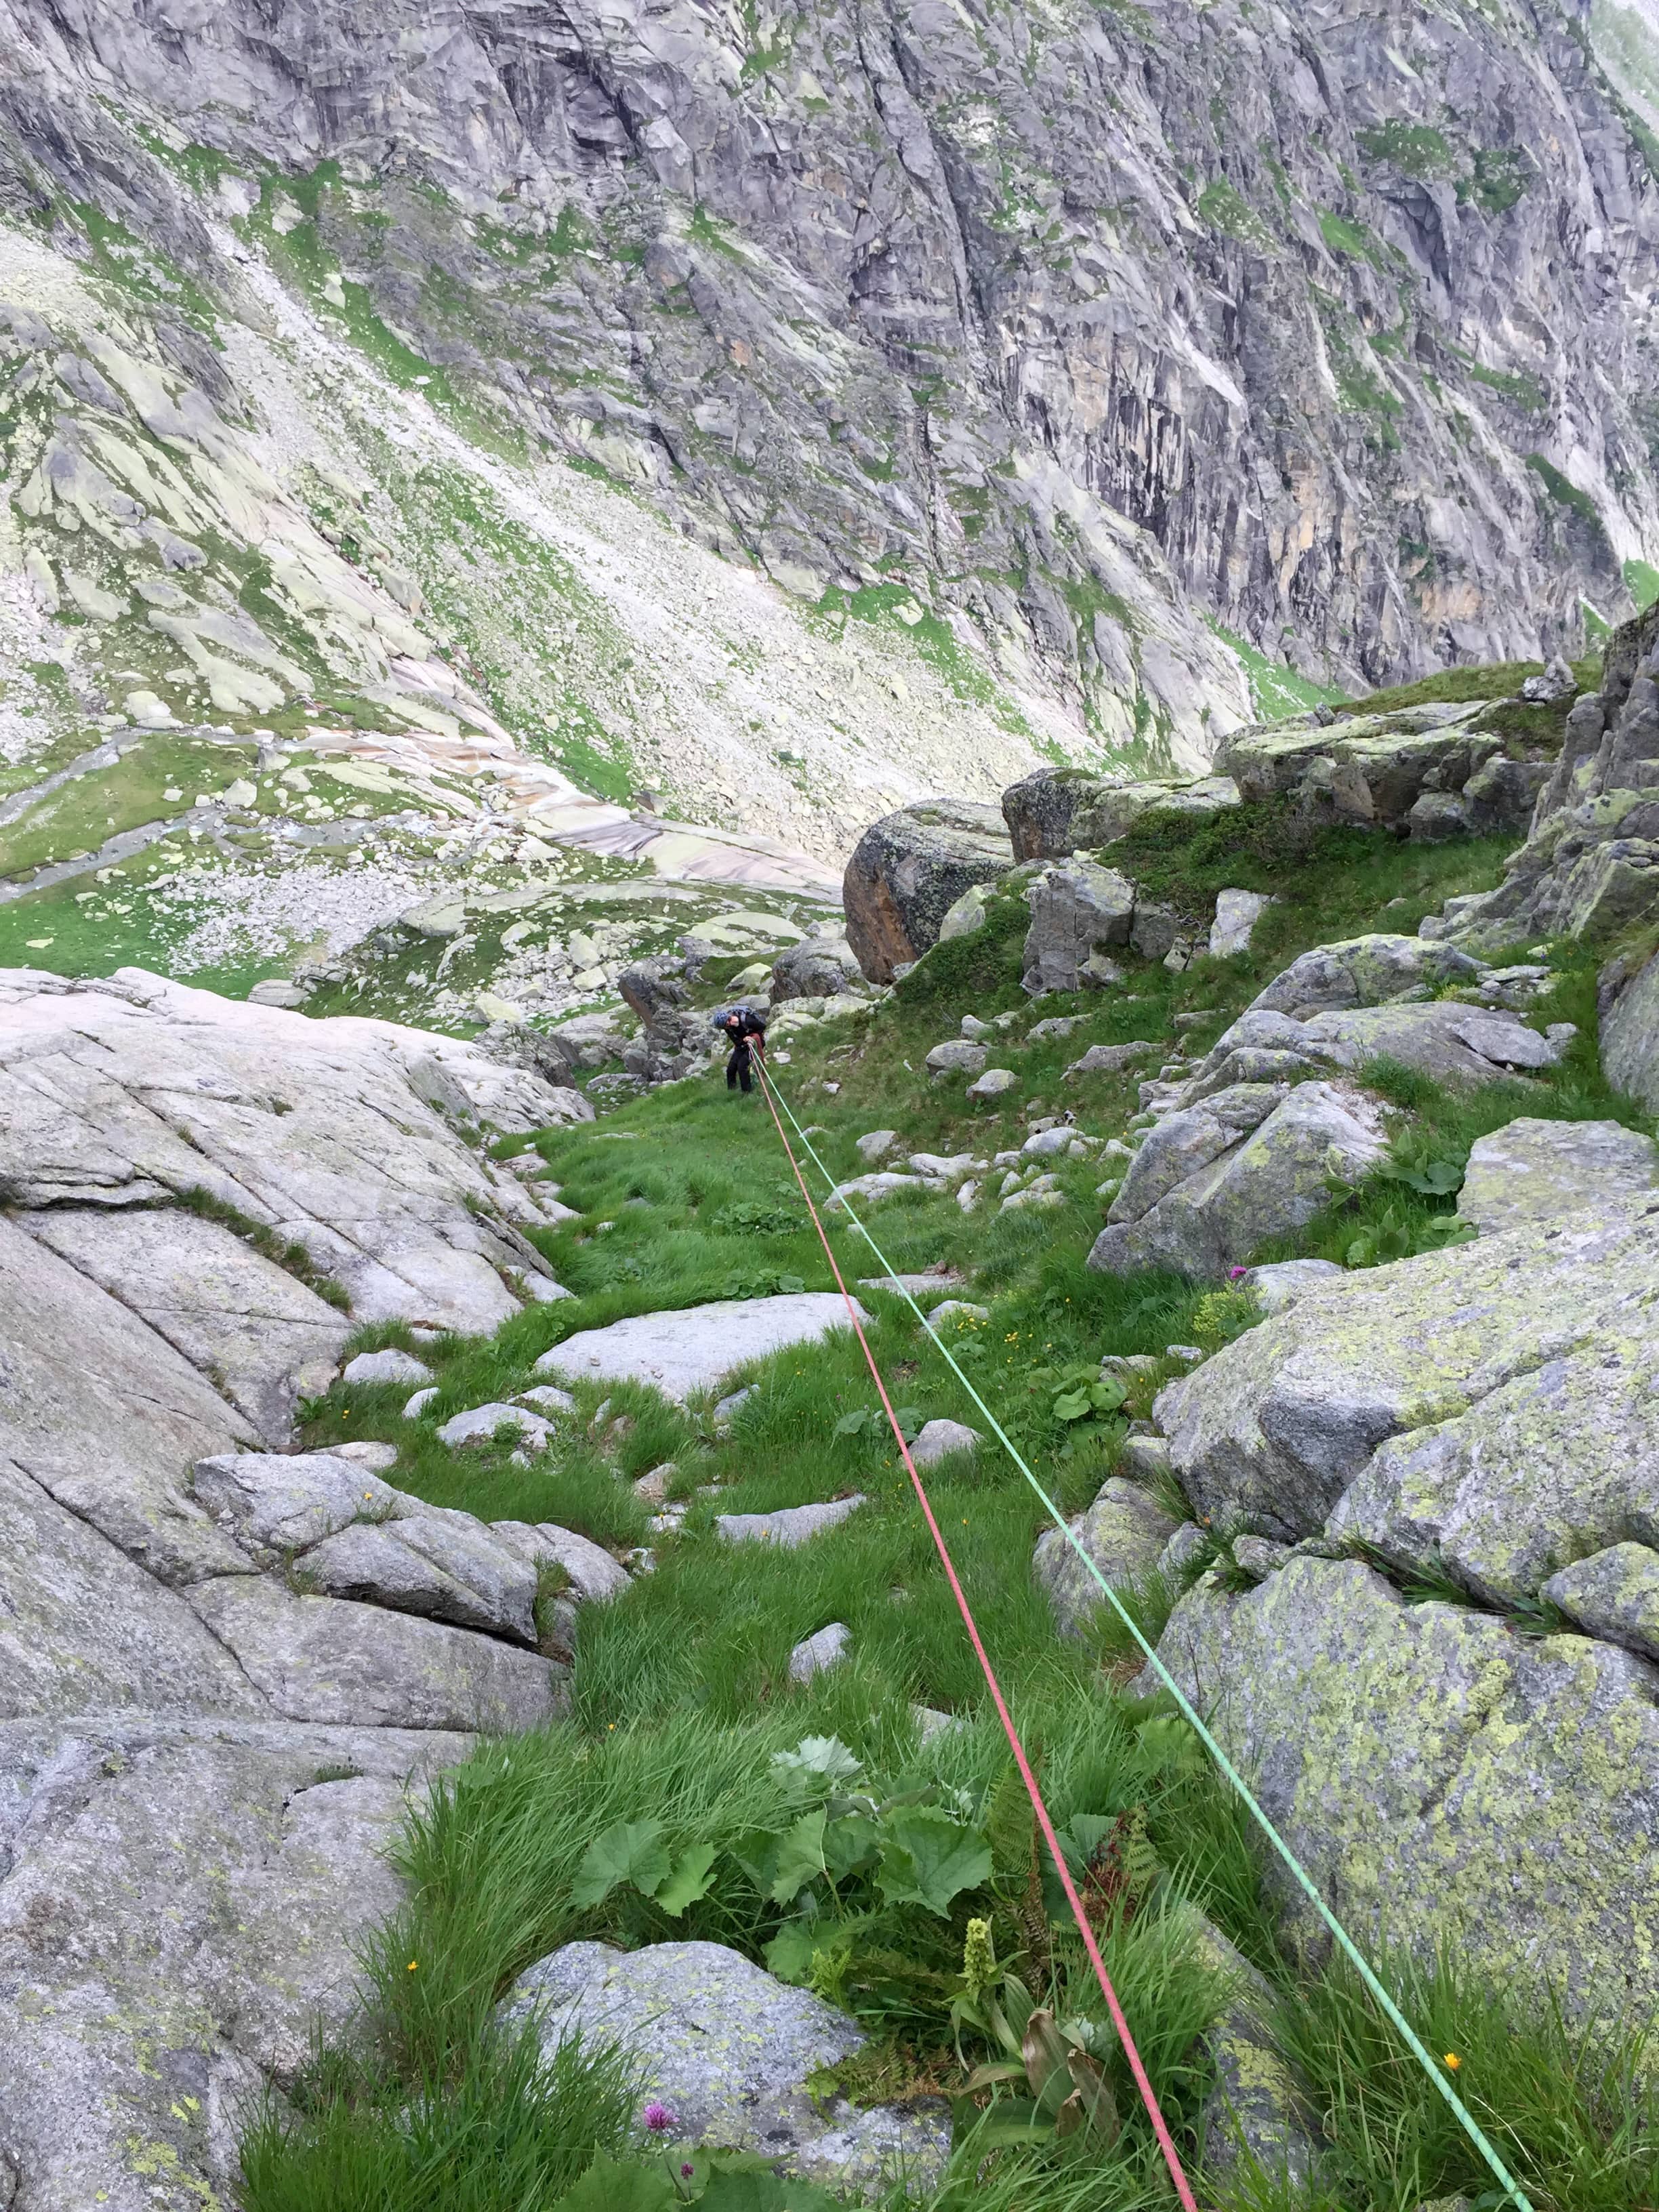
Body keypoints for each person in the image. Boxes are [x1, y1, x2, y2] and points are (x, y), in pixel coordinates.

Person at [715, 1003, 766, 1094]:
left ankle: (747, 1092)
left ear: (727, 1022)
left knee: (742, 1066)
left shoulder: (747, 1021)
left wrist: (752, 1037)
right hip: (742, 1045)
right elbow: (736, 1041)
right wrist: (744, 1040)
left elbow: (762, 1027)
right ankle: (731, 1091)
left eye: (725, 1026)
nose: (725, 1028)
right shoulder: (729, 1028)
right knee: (731, 1068)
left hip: (754, 1043)